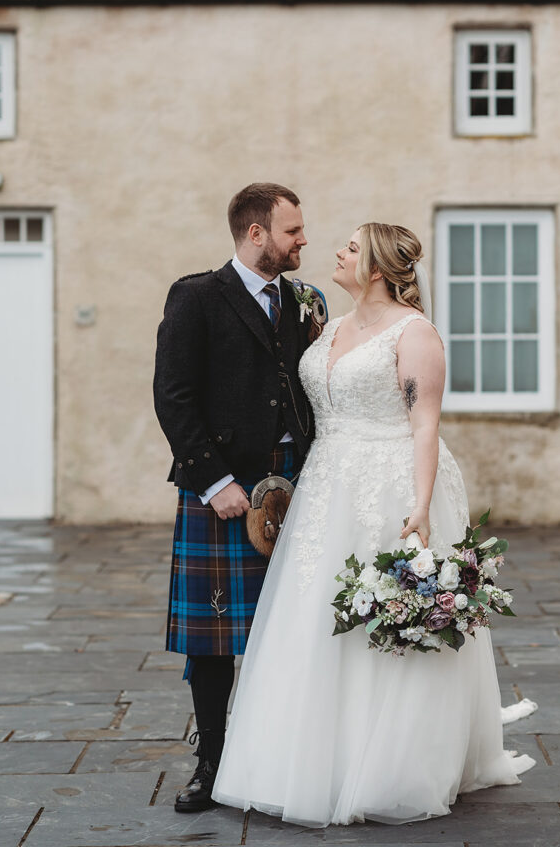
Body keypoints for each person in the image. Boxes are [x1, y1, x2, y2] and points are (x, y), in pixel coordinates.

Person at [212, 222, 534, 826]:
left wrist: (420, 504)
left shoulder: (415, 333)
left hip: (390, 483)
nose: (337, 252)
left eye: (352, 248)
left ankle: (389, 764)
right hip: (325, 485)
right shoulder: (328, 324)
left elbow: (423, 425)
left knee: (380, 618)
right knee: (311, 616)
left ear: (379, 267)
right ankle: (301, 760)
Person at [153, 183, 326, 812]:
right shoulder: (197, 296)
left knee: (288, 629)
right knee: (213, 635)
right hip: (226, 483)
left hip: (301, 480)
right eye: (292, 231)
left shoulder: (306, 301)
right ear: (256, 233)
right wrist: (215, 481)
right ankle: (211, 762)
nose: (303, 240)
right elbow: (172, 395)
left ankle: (275, 758)